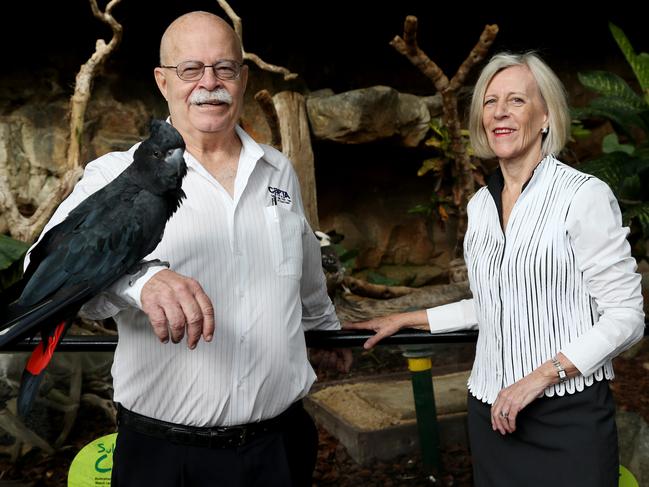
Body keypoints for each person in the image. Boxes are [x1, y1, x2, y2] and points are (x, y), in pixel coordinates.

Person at [28, 11, 351, 487]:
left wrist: (326, 331)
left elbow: (303, 268)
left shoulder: (278, 169)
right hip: (165, 456)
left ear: (242, 79)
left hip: (279, 447)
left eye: (224, 68)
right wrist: (140, 280)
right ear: (163, 81)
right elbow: (54, 272)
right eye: (191, 69)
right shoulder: (113, 176)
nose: (209, 83)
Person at [345, 51, 645, 486]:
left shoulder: (584, 196)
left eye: (517, 101)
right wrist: (409, 318)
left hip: (567, 417)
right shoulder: (481, 206)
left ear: (545, 116)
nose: (500, 112)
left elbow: (627, 316)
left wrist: (539, 378)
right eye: (490, 102)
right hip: (491, 415)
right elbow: (495, 301)